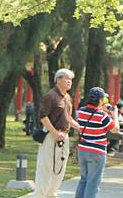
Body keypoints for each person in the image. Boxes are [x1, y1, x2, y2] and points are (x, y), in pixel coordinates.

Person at [34, 69, 81, 198]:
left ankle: (51, 193)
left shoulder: (67, 97)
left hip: (64, 135)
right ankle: (40, 195)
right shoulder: (50, 96)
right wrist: (54, 133)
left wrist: (79, 127)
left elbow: (68, 118)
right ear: (58, 79)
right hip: (51, 135)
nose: (69, 82)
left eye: (71, 80)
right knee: (46, 167)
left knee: (60, 167)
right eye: (67, 79)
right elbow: (43, 116)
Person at [74, 87, 120, 198]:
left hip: (82, 150)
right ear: (100, 100)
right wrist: (115, 115)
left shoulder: (81, 112)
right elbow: (115, 130)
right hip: (96, 152)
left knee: (83, 180)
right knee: (93, 183)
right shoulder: (102, 116)